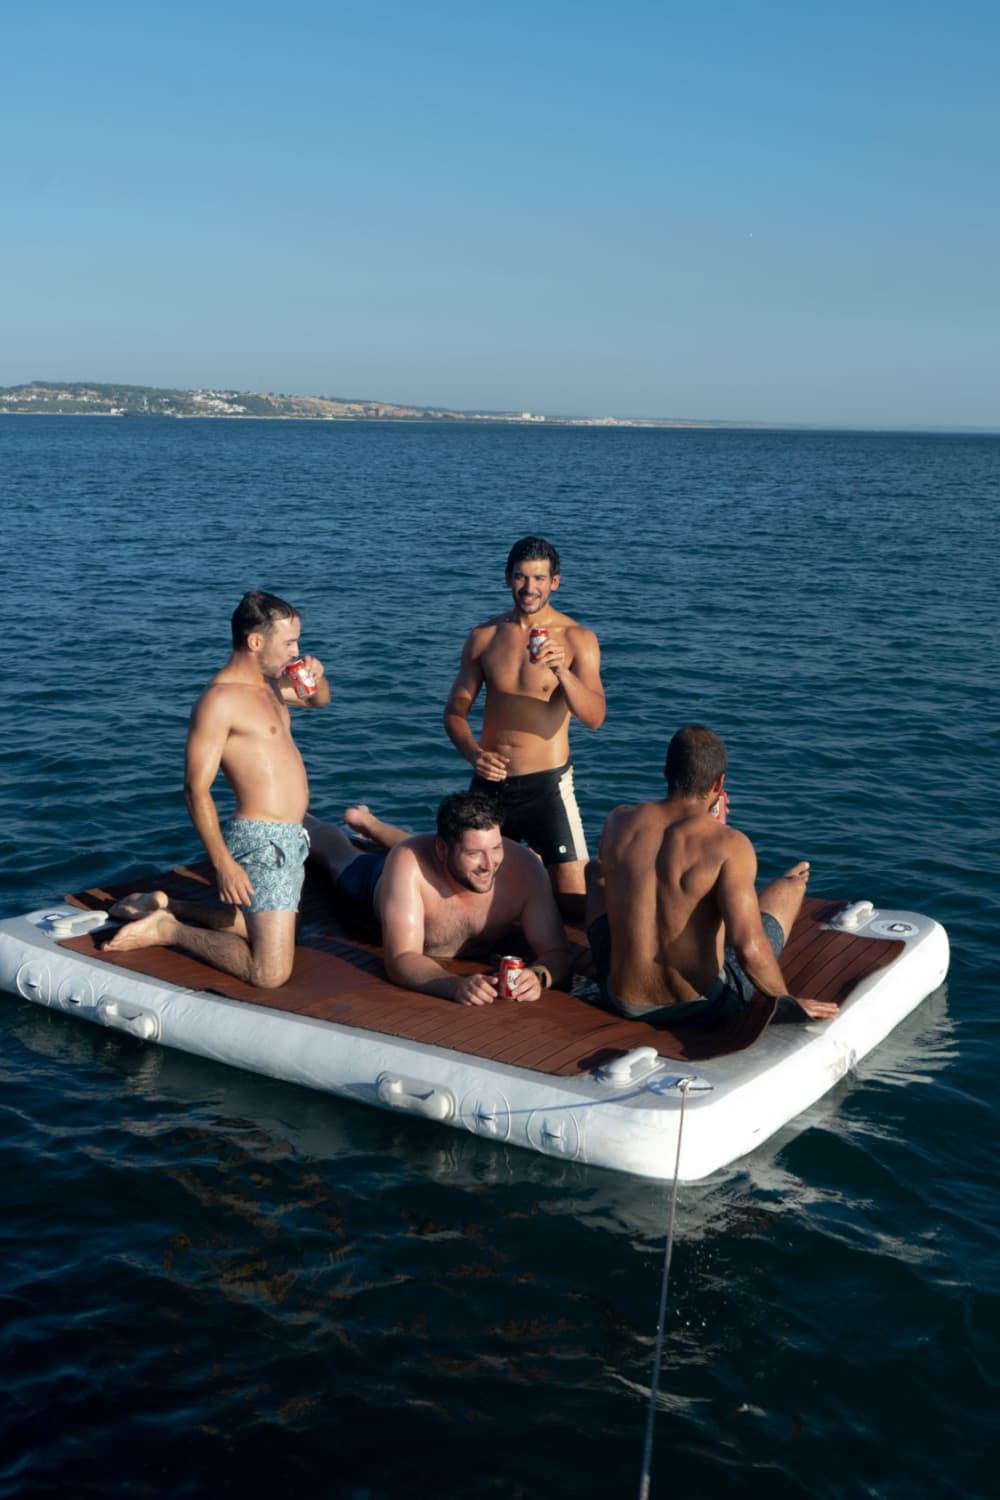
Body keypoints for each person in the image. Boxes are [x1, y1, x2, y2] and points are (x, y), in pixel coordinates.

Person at [101, 590, 330, 988]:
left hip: (292, 838)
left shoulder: (270, 686)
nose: (297, 651)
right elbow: (196, 789)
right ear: (255, 642)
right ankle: (169, 930)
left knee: (270, 930)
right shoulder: (219, 701)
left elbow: (318, 701)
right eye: (289, 643)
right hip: (262, 841)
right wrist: (223, 863)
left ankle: (171, 905)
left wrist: (317, 675)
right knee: (270, 973)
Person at [586, 725, 838, 1025]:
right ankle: (792, 883)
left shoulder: (617, 821)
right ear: (720, 783)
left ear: (666, 772)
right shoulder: (730, 845)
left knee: (595, 871)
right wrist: (785, 1001)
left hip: (621, 1000)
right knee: (790, 887)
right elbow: (748, 947)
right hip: (701, 1007)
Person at [443, 536, 605, 920]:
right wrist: (473, 754)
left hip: (547, 788)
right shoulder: (484, 638)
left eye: (539, 578)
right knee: (464, 894)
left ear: (555, 582)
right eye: (521, 577)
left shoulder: (578, 639)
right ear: (507, 578)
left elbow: (595, 717)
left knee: (574, 903)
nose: (529, 588)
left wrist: (562, 671)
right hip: (490, 784)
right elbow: (454, 713)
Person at [306, 791, 572, 1005]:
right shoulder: (407, 865)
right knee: (340, 856)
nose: (489, 864)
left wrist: (539, 976)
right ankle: (305, 820)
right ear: (443, 850)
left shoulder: (525, 869)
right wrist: (454, 985)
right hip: (373, 886)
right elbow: (401, 958)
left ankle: (369, 824)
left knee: (417, 849)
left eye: (496, 848)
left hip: (433, 861)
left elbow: (557, 953)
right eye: (474, 854)